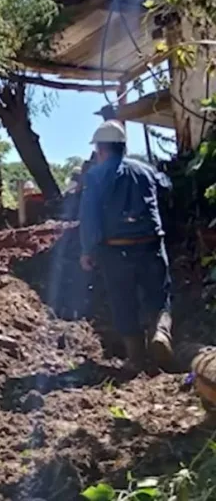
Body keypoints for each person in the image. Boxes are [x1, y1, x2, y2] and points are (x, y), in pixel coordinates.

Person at [79, 119, 173, 373]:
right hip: (152, 244)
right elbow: (167, 188)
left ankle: (135, 359)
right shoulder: (146, 170)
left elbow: (89, 216)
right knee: (159, 296)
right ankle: (161, 333)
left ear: (101, 149)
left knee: (123, 301)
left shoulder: (95, 176)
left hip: (116, 250)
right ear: (123, 146)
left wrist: (88, 250)